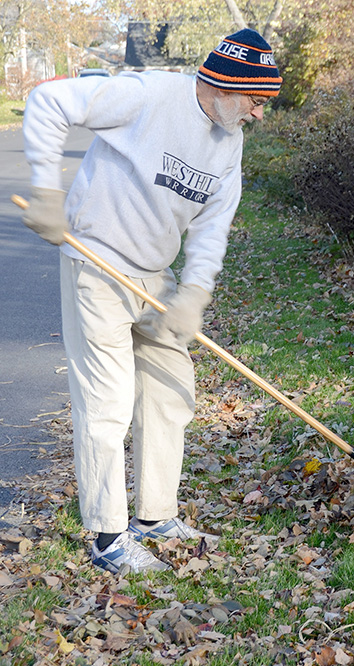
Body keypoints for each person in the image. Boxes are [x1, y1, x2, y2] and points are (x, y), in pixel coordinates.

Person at [21, 29, 282, 575]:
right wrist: (46, 190)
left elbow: (214, 225)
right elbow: (49, 101)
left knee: (171, 389)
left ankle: (155, 516)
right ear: (229, 85)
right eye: (257, 100)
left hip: (153, 277)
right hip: (96, 263)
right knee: (108, 401)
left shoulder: (228, 142)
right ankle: (107, 536)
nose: (260, 114)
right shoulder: (148, 95)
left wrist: (194, 291)